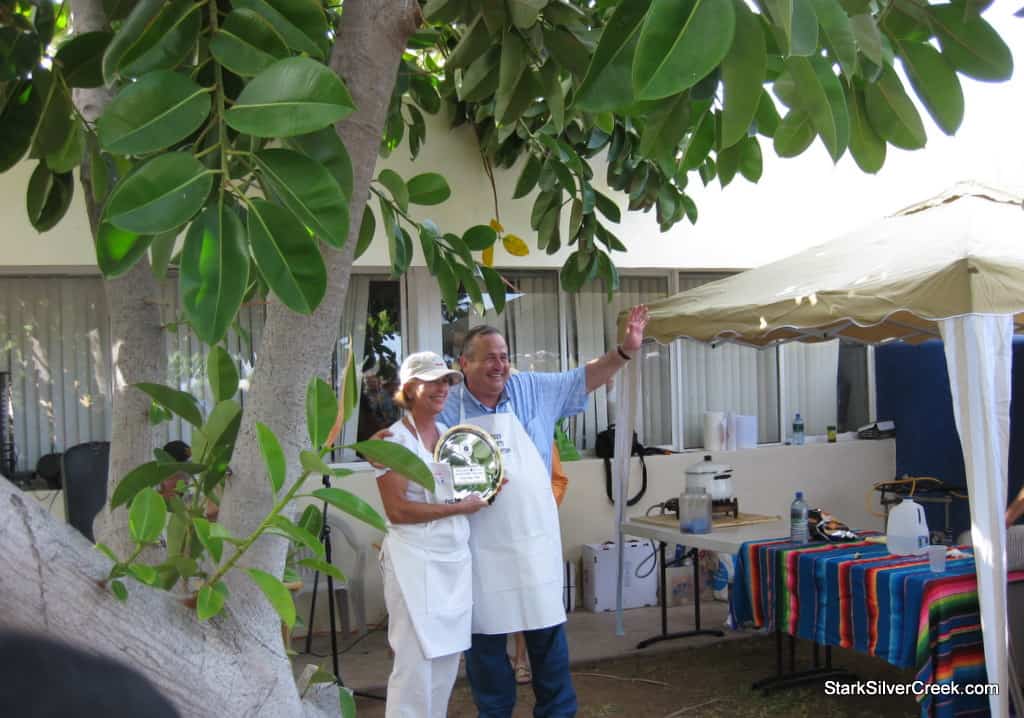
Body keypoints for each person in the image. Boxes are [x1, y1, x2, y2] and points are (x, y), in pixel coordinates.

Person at [440, 305, 650, 718]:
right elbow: (417, 449)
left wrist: (624, 352)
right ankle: (495, 712)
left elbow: (584, 378)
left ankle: (557, 712)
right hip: (478, 541)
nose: (499, 365)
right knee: (484, 638)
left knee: (547, 634)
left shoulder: (533, 389)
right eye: (489, 357)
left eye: (504, 356)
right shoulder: (447, 408)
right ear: (464, 364)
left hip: (533, 540)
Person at [376, 351, 490, 718]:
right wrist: (461, 508)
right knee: (413, 665)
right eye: (433, 381)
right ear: (410, 389)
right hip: (413, 563)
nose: (442, 388)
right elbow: (399, 511)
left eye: (446, 381)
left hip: (452, 562)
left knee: (445, 662)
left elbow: (461, 491)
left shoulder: (450, 438)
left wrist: (486, 490)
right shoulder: (392, 441)